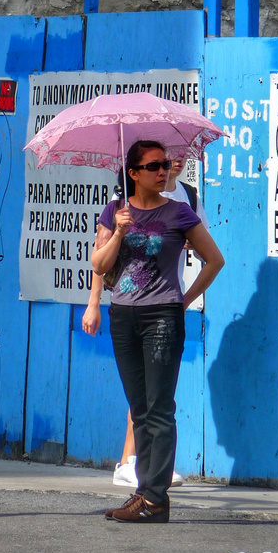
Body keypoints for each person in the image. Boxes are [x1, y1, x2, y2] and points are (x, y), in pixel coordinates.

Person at [90, 140, 224, 523]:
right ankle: (143, 492)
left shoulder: (180, 212)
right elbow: (98, 264)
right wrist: (117, 232)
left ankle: (156, 498)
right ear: (133, 173)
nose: (164, 171)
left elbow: (214, 260)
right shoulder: (115, 211)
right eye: (154, 166)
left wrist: (184, 299)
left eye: (165, 164)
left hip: (163, 318)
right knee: (140, 408)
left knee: (160, 409)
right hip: (123, 317)